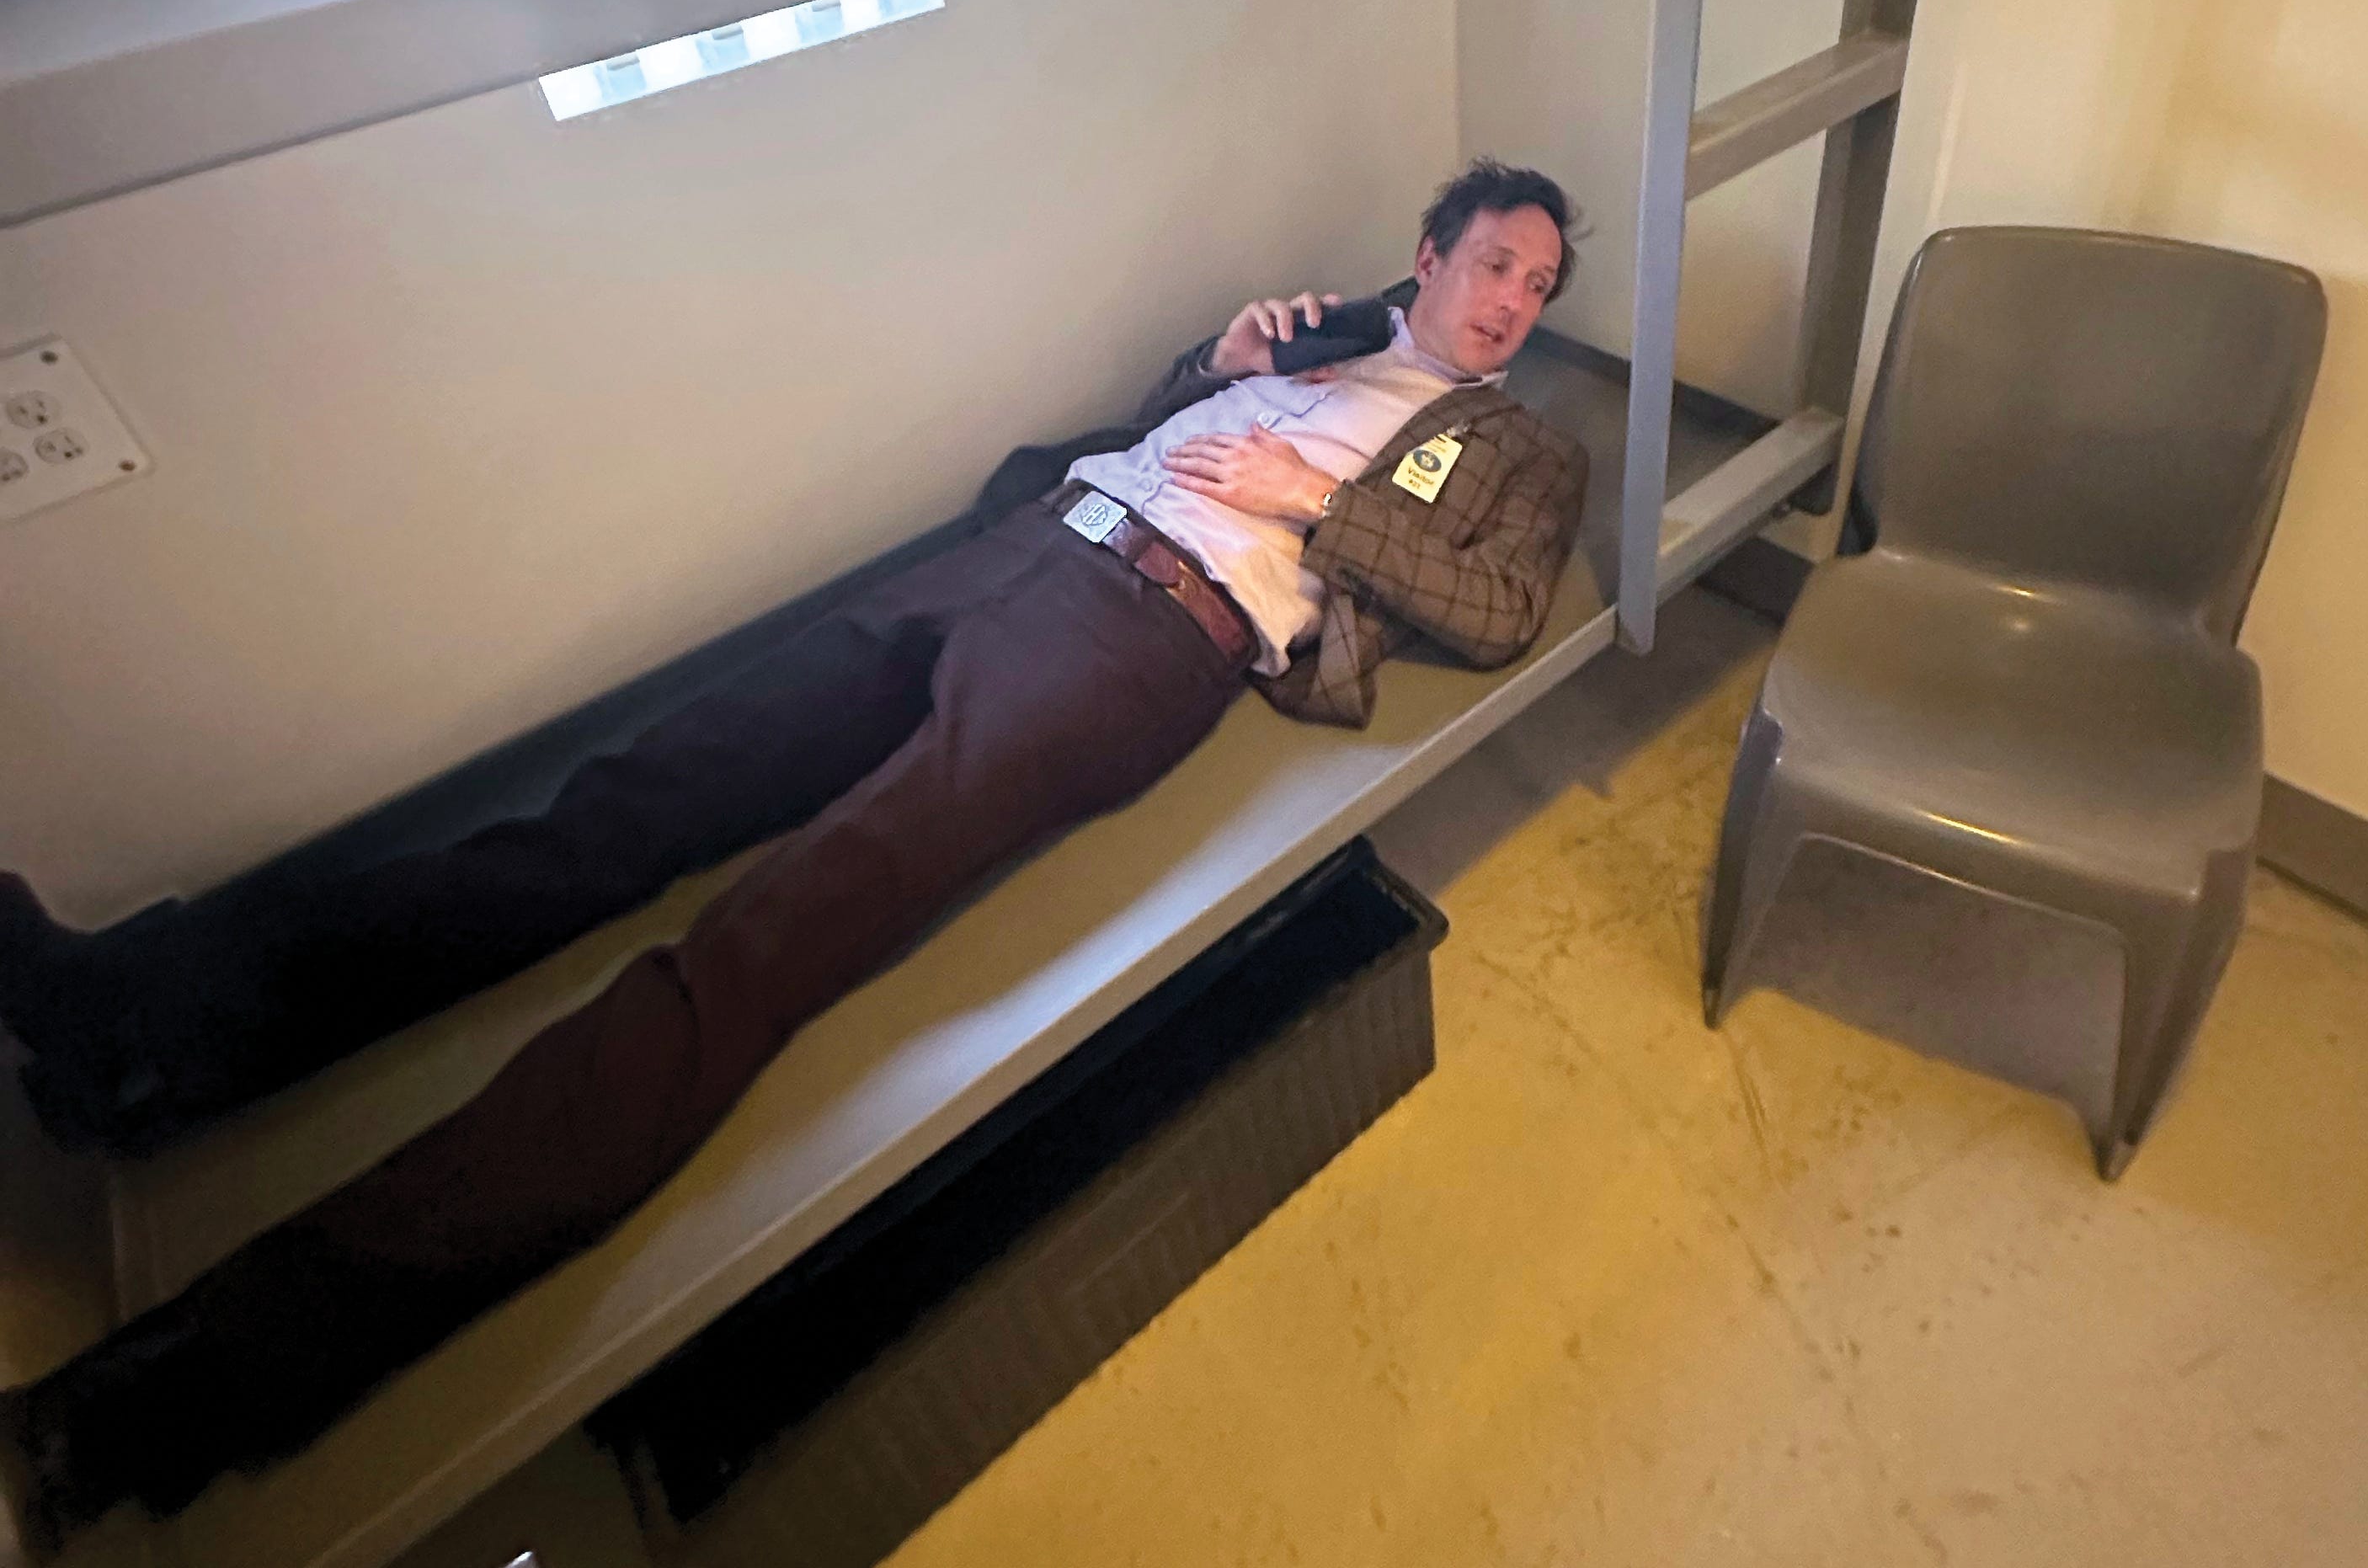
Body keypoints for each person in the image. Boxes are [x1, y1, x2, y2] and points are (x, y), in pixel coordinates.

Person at [0, 160, 1589, 1550]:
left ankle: (163, 1404)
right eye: (1496, 263)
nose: (1513, 301)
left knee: (748, 959)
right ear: (1428, 255)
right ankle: (133, 1031)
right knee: (621, 805)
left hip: (1148, 639)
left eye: (1540, 285)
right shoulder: (1328, 332)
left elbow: (1501, 608)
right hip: (1027, 543)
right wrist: (1217, 366)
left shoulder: (1517, 448)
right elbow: (1170, 425)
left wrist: (1314, 497)